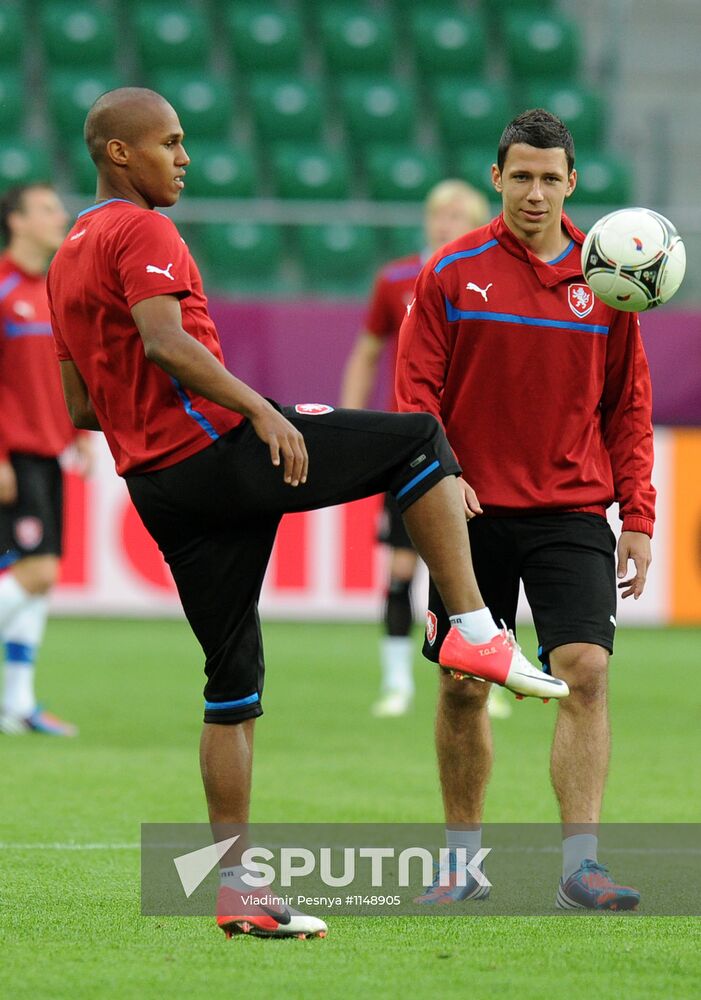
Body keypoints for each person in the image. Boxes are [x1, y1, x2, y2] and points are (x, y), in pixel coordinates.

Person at [47, 89, 568, 940]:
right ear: (117, 154)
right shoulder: (138, 229)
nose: (184, 157)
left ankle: (237, 893)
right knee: (420, 439)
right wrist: (257, 412)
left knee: (231, 690)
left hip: (154, 484)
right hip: (217, 454)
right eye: (169, 143)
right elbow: (165, 341)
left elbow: (78, 404)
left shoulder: (64, 257)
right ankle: (472, 624)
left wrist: (157, 429)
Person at [397, 108, 652, 911]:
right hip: (466, 511)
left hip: (570, 509)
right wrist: (443, 478)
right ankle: (462, 866)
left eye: (550, 178)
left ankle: (581, 867)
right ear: (495, 178)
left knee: (585, 672)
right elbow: (413, 398)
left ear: (571, 182)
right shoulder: (449, 271)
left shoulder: (608, 276)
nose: (535, 192)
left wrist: (637, 515)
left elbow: (627, 407)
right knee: (462, 689)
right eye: (521, 176)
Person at [341, 180, 510, 720]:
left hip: (475, 443)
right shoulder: (395, 279)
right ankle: (396, 683)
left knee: (480, 563)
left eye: (458, 213)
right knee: (400, 567)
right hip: (412, 443)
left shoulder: (492, 276)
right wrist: (352, 419)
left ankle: (490, 674)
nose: (445, 221)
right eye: (439, 212)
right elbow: (367, 353)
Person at [0, 183, 93, 736]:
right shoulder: (4, 287)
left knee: (34, 576)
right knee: (36, 571)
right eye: (47, 209)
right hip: (15, 455)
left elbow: (58, 368)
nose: (60, 215)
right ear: (16, 222)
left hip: (48, 451)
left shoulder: (54, 289)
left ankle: (18, 703)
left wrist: (75, 427)